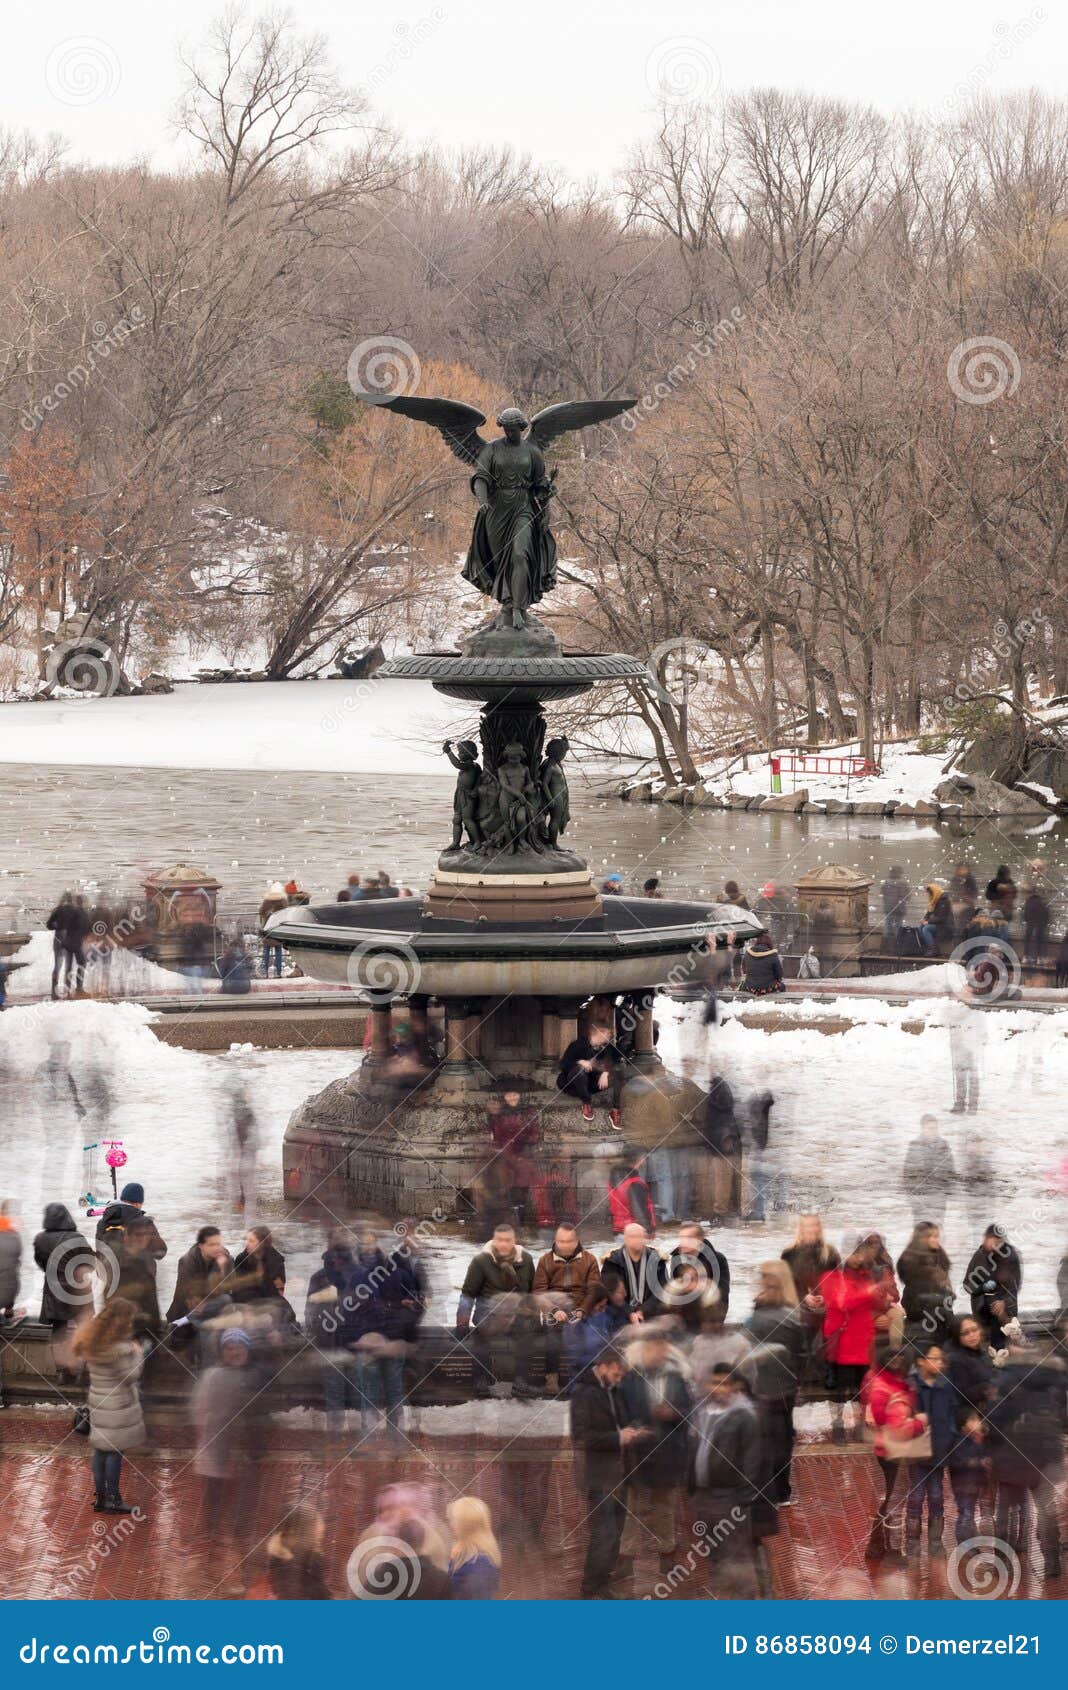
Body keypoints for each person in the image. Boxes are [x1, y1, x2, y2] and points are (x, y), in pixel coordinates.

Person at [570, 1345, 648, 1598]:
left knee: (614, 1534)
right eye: (617, 1372)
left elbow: (623, 1420)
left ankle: (603, 1584)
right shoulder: (584, 1393)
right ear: (603, 1365)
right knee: (603, 1534)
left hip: (620, 1474)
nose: (620, 1377)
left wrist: (634, 1429)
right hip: (599, 1476)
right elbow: (581, 1437)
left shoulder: (613, 1390)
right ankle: (591, 1588)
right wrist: (617, 1438)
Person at [986, 1346, 1066, 1577]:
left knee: (1004, 1511)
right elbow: (1063, 1416)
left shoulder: (1005, 1381)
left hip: (1011, 1455)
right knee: (1046, 1509)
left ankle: (1001, 1560)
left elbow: (994, 1419)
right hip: (1045, 1456)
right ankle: (1052, 1561)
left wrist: (991, 1449)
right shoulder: (1053, 1382)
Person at [618, 1329, 692, 1581]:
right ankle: (626, 1559)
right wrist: (637, 1428)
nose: (658, 1352)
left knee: (665, 1508)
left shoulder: (676, 1379)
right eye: (653, 1347)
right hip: (638, 1454)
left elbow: (689, 1412)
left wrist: (674, 1413)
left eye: (662, 1347)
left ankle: (666, 1557)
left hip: (668, 1454)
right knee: (633, 1508)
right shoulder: (631, 1379)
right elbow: (622, 1412)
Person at [690, 1364, 762, 1597]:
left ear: (733, 1387)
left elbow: (752, 1460)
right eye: (714, 1383)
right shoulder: (702, 1412)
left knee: (736, 1554)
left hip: (731, 1497)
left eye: (724, 1384)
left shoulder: (744, 1417)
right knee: (714, 1553)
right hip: (705, 1496)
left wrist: (744, 1497)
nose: (718, 1389)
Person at [816, 1236, 898, 1437]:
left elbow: (880, 1302)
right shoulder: (831, 1275)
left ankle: (858, 1425)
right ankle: (837, 1424)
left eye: (860, 1252)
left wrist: (882, 1295)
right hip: (842, 1342)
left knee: (861, 1387)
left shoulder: (868, 1275)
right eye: (853, 1252)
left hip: (862, 1340)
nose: (858, 1257)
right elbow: (842, 1302)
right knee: (840, 1388)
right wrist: (869, 1292)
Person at [191, 1326, 261, 1563]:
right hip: (216, 1445)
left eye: (240, 1347)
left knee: (242, 1496)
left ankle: (236, 1536)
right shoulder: (212, 1376)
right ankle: (211, 1534)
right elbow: (199, 1408)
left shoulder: (252, 1376)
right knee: (213, 1493)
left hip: (242, 1448)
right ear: (223, 1352)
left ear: (248, 1350)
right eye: (230, 1348)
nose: (235, 1352)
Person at [72, 1296, 146, 1515]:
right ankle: (113, 1500)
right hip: (117, 1406)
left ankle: (101, 1498)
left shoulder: (94, 1342)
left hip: (99, 1402)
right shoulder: (119, 1348)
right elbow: (131, 1376)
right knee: (114, 1453)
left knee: (100, 1451)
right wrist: (138, 1355)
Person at [744, 1261, 805, 1504]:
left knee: (762, 1442)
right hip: (785, 1389)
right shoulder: (791, 1317)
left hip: (759, 1390)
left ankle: (763, 1492)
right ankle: (782, 1492)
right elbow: (802, 1354)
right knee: (783, 1441)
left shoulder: (754, 1318)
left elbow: (744, 1355)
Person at [456, 1224, 537, 1400]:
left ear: (514, 1241)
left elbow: (531, 1292)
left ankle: (521, 1380)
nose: (503, 1244)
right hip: (488, 1307)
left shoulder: (527, 1260)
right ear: (494, 1240)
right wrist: (462, 1321)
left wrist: (534, 1313)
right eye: (499, 1240)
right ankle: (481, 1378)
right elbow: (468, 1293)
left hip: (516, 1307)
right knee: (482, 1331)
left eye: (507, 1240)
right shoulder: (481, 1261)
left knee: (527, 1328)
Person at [862, 1347, 928, 1562]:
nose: (896, 1360)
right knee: (893, 1498)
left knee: (891, 1496)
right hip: (891, 1448)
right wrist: (920, 1423)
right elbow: (890, 1421)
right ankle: (889, 1548)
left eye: (900, 1356)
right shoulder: (884, 1385)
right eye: (891, 1356)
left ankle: (877, 1545)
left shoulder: (901, 1381)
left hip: (894, 1448)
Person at [533, 1225, 601, 1393]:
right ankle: (551, 1379)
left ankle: (583, 1379)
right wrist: (554, 1310)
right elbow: (539, 1292)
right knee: (551, 1335)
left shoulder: (589, 1259)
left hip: (580, 1308)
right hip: (555, 1310)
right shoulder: (545, 1260)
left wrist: (582, 1310)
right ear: (556, 1241)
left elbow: (594, 1290)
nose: (564, 1245)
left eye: (569, 1241)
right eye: (561, 1241)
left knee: (589, 1335)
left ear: (576, 1241)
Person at [904, 1342, 956, 1559]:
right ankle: (913, 1542)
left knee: (936, 1495)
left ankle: (935, 1541)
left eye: (940, 1359)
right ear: (920, 1361)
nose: (938, 1363)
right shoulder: (910, 1385)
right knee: (916, 1495)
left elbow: (951, 1414)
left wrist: (952, 1437)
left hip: (939, 1449)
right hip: (917, 1449)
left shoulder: (946, 1385)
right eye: (933, 1358)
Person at [33, 1202, 94, 1338]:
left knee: (59, 1331)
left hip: (54, 1292)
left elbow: (41, 1263)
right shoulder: (76, 1238)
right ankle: (83, 1358)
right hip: (78, 1290)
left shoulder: (40, 1239)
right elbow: (90, 1264)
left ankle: (60, 1359)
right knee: (84, 1328)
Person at [482, 1085, 541, 1222]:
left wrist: (524, 1142)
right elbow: (493, 1134)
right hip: (504, 1155)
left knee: (521, 1185)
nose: (512, 1098)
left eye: (515, 1094)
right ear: (504, 1097)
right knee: (504, 1185)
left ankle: (520, 1212)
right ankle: (505, 1214)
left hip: (523, 1154)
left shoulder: (528, 1112)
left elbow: (535, 1133)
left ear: (520, 1096)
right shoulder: (498, 1114)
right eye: (509, 1095)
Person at [247, 1504, 331, 1599]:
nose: (319, 1547)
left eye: (319, 1540)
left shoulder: (308, 1569)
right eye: (315, 1540)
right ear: (294, 1536)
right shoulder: (288, 1577)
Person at [965, 1223, 1022, 1351]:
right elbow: (967, 1285)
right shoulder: (979, 1257)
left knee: (997, 1307)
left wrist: (1004, 1302)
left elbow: (1015, 1285)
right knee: (993, 1304)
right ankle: (1010, 1332)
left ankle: (1000, 1348)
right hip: (982, 1305)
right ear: (986, 1238)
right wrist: (982, 1288)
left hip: (1004, 1304)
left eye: (999, 1242)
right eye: (993, 1241)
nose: (996, 1245)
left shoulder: (1010, 1255)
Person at [166, 1225, 237, 1325]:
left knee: (228, 1301)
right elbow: (192, 1295)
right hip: (189, 1307)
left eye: (218, 1244)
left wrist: (221, 1269)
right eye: (211, 1245)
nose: (216, 1248)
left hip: (214, 1305)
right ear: (201, 1246)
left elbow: (231, 1288)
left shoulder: (226, 1259)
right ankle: (181, 1323)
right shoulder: (187, 1262)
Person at [695, 1074, 742, 1220]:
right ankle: (729, 1208)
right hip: (728, 1150)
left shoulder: (710, 1105)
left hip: (716, 1149)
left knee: (719, 1181)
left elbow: (708, 1127)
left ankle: (719, 1210)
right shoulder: (728, 1109)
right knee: (727, 1181)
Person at [897, 1222, 954, 1341]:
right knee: (943, 1311)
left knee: (945, 1308)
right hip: (916, 1303)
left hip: (935, 1301)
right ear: (922, 1238)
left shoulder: (939, 1255)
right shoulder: (909, 1258)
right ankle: (943, 1345)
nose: (937, 1240)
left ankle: (945, 1345)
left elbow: (944, 1283)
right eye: (933, 1237)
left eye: (937, 1236)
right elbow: (915, 1289)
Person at [557, 1023, 623, 1125]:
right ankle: (586, 1103)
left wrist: (606, 1072)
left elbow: (619, 1062)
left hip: (592, 1085)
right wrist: (579, 1062)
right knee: (578, 1070)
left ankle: (615, 1111)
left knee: (618, 1074)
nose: (610, 1035)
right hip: (572, 1085)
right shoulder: (579, 1044)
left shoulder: (608, 1047)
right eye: (607, 1032)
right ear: (598, 1032)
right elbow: (563, 1064)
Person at [601, 1224, 664, 1323]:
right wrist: (629, 1312)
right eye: (632, 1236)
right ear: (625, 1239)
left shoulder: (657, 1259)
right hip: (620, 1311)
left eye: (640, 1236)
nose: (637, 1240)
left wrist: (643, 1310)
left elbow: (662, 1290)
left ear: (645, 1238)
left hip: (650, 1310)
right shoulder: (612, 1261)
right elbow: (610, 1292)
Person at [901, 1115, 956, 1225]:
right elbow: (907, 1172)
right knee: (920, 1229)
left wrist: (947, 1190)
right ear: (923, 1128)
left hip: (938, 1197)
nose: (933, 1131)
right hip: (920, 1197)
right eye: (930, 1128)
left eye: (935, 1128)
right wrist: (912, 1194)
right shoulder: (914, 1146)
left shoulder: (944, 1145)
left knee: (937, 1228)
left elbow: (950, 1170)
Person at [95, 1183, 167, 1264]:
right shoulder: (145, 1223)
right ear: (137, 1204)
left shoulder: (103, 1222)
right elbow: (160, 1252)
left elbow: (99, 1252)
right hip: (138, 1274)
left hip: (109, 1273)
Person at [668, 1221, 730, 1316]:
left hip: (711, 1311)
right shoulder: (676, 1258)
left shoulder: (717, 1259)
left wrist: (698, 1287)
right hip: (684, 1310)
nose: (683, 1243)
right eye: (681, 1238)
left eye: (688, 1238)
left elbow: (722, 1292)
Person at [447, 1497, 501, 1599]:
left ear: (466, 1525)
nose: (451, 1525)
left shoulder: (478, 1562)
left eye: (454, 1520)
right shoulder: (475, 1554)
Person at [948, 1406, 987, 1547]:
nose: (979, 1423)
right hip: (963, 1484)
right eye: (974, 1420)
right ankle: (964, 1542)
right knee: (965, 1512)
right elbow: (958, 1462)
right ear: (964, 1425)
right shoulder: (960, 1442)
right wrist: (978, 1462)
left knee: (968, 1510)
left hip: (973, 1483)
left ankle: (968, 1538)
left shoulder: (975, 1440)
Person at [781, 1214, 840, 1302]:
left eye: (815, 1225)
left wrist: (826, 1297)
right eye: (808, 1226)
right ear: (801, 1228)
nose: (812, 1229)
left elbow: (839, 1283)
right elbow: (785, 1285)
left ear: (820, 1227)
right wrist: (804, 1297)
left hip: (826, 1308)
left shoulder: (831, 1253)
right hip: (800, 1310)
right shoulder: (788, 1254)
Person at [945, 1313, 996, 1413]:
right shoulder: (955, 1359)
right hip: (972, 1413)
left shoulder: (982, 1352)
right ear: (957, 1336)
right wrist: (989, 1386)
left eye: (974, 1330)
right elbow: (963, 1395)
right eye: (965, 1333)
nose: (972, 1335)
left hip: (991, 1403)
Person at [946, 990, 984, 1114]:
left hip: (970, 1047)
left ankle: (972, 1104)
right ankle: (960, 1102)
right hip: (959, 1047)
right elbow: (950, 1022)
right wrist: (953, 1031)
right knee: (960, 1076)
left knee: (972, 1077)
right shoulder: (956, 1010)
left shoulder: (975, 1012)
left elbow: (980, 1031)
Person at [232, 1225, 286, 1303]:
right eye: (247, 1240)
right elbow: (237, 1288)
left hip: (269, 1299)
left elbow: (279, 1290)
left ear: (262, 1243)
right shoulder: (241, 1259)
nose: (247, 1244)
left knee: (286, 1310)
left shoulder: (276, 1260)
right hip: (246, 1299)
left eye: (251, 1241)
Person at [606, 1159, 656, 1235]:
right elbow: (638, 1210)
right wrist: (648, 1230)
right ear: (639, 1161)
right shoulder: (634, 1183)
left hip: (618, 1229)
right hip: (634, 1231)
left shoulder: (612, 1182)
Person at [739, 931, 785, 995]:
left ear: (757, 942)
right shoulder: (773, 955)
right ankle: (779, 1003)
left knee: (743, 985)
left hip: (750, 987)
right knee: (782, 986)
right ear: (769, 943)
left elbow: (744, 970)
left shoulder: (748, 953)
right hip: (767, 988)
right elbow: (779, 974)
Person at [258, 884, 287, 977]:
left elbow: (261, 911)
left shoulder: (267, 902)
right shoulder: (283, 902)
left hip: (267, 928)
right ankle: (278, 972)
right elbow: (287, 912)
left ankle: (265, 972)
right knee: (278, 951)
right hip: (278, 928)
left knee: (266, 951)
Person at [917, 882, 954, 954]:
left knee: (926, 929)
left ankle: (933, 949)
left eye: (930, 894)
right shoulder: (935, 900)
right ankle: (926, 947)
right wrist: (924, 919)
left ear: (934, 893)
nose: (928, 896)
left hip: (946, 926)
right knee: (920, 927)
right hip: (939, 924)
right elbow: (929, 912)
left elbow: (941, 918)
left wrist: (928, 922)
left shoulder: (944, 901)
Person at [880, 867, 911, 945]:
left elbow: (883, 894)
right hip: (899, 908)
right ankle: (897, 946)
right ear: (899, 874)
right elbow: (907, 897)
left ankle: (883, 947)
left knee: (887, 926)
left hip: (888, 908)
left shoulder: (886, 883)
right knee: (898, 926)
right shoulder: (903, 883)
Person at [1022, 882, 1051, 964]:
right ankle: (1039, 958)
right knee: (1039, 941)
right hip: (1040, 925)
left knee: (1028, 941)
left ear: (1029, 893)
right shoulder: (1040, 901)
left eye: (1025, 893)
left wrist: (1027, 921)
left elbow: (1026, 915)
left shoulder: (1028, 902)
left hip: (1031, 925)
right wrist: (1045, 922)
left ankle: (1026, 957)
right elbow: (1046, 913)